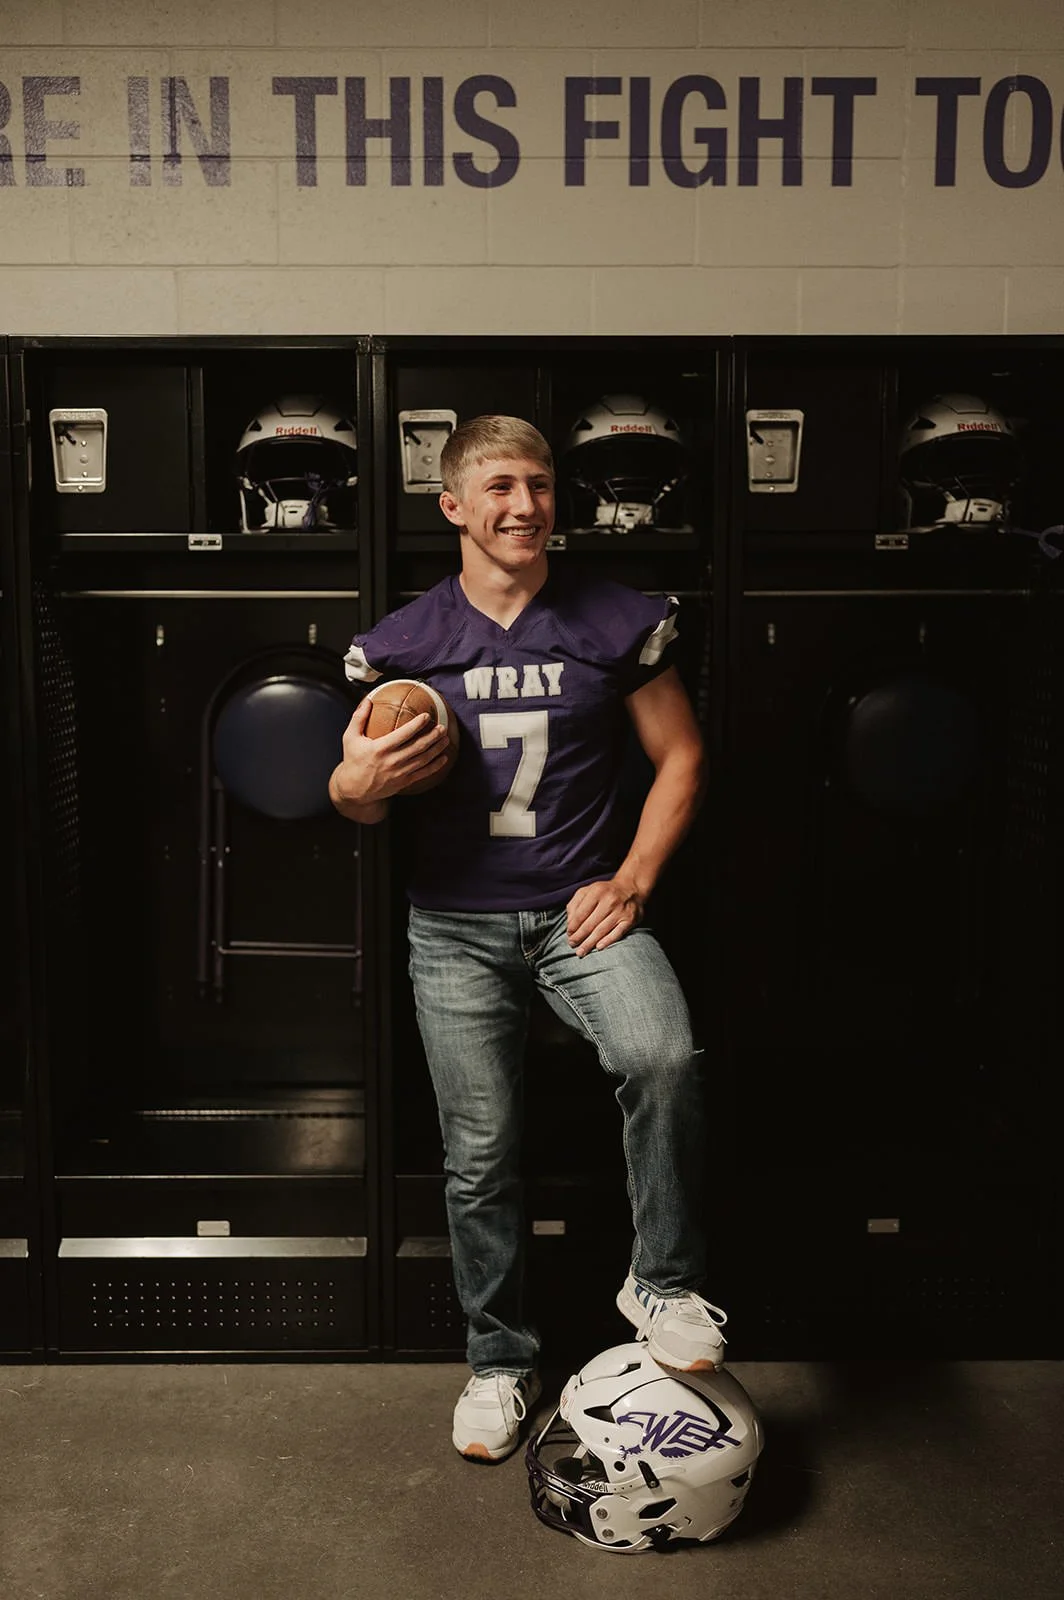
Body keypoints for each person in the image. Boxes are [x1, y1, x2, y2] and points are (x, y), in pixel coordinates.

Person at [328, 415, 726, 1463]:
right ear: (453, 506)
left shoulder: (611, 620)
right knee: (479, 1153)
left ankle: (663, 1282)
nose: (525, 506)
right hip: (453, 927)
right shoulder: (403, 644)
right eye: (499, 486)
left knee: (663, 1055)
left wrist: (631, 876)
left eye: (540, 484)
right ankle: (500, 1360)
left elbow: (679, 756)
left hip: (575, 912)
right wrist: (352, 786)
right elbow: (355, 796)